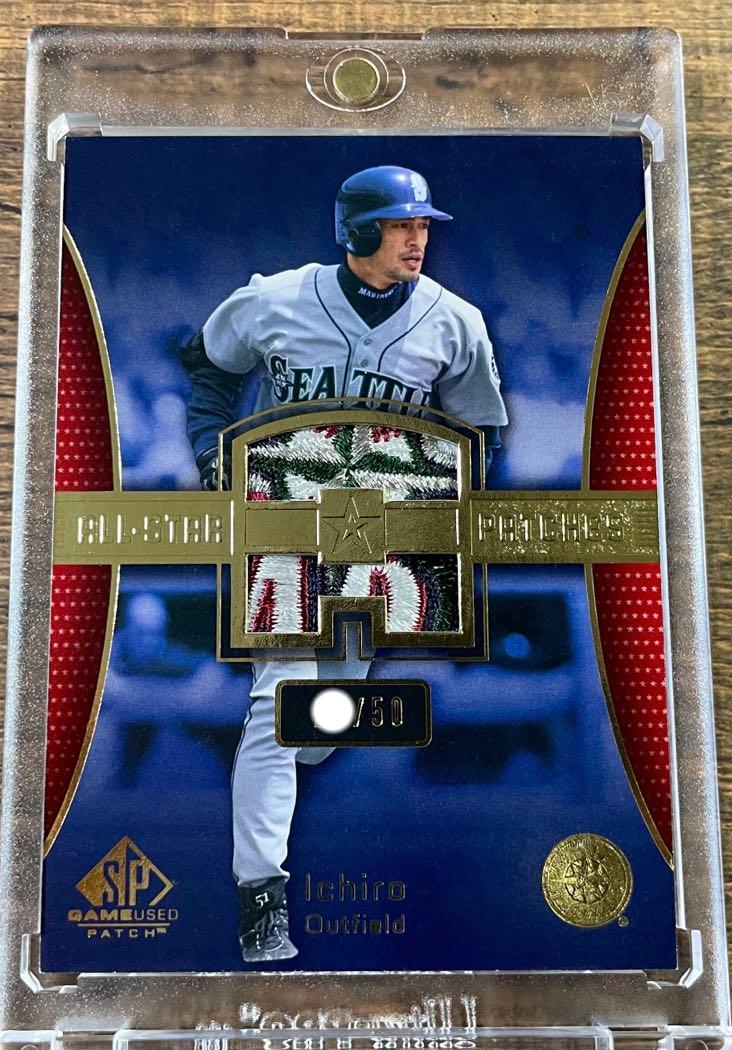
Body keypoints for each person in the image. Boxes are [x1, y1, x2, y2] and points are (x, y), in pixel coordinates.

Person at [180, 165, 507, 962]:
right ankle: (261, 901)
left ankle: (281, 750)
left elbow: (480, 434)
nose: (418, 240)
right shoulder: (277, 298)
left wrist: (441, 517)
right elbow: (208, 364)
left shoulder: (455, 321)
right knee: (278, 702)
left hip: (379, 536)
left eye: (423, 226)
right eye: (401, 225)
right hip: (287, 517)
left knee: (319, 730)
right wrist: (212, 451)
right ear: (357, 231)